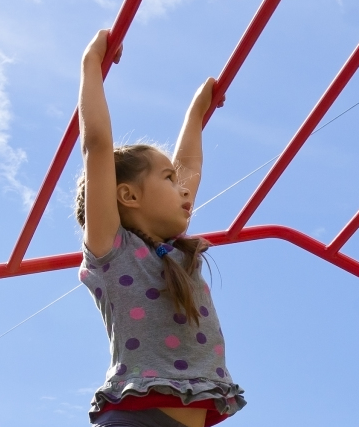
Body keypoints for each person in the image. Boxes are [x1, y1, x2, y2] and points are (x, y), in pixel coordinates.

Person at [73, 29, 244, 427]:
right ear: (128, 196)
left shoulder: (175, 254)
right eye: (168, 179)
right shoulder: (113, 251)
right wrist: (90, 66)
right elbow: (97, 145)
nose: (184, 188)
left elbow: (190, 166)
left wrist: (196, 114)